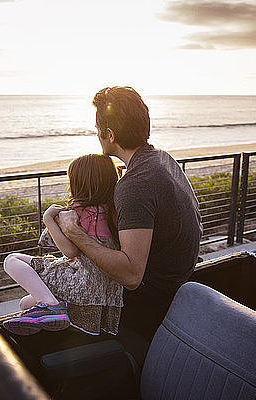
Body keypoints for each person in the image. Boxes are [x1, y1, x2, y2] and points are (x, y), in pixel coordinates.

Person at [57, 86, 203, 345]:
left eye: (98, 130)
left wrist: (73, 232)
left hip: (149, 304)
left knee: (51, 289)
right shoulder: (163, 160)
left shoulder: (134, 184)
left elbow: (132, 276)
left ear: (110, 135)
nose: (97, 136)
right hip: (179, 285)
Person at [2, 154, 123, 336]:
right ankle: (51, 306)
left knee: (12, 260)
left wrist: (48, 218)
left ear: (79, 182)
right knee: (26, 304)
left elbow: (69, 251)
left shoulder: (80, 212)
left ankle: (52, 307)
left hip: (80, 283)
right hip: (102, 290)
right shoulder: (115, 211)